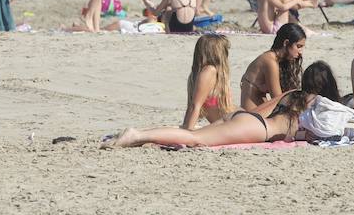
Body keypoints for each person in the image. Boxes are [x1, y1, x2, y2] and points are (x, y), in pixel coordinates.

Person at [104, 90, 314, 149]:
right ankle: (137, 135)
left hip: (248, 117)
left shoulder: (291, 97)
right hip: (257, 128)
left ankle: (143, 133)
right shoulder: (307, 113)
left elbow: (265, 107)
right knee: (195, 138)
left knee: (194, 134)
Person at [239, 24, 306, 109]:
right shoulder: (270, 62)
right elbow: (278, 99)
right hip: (251, 112)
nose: (301, 52)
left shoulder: (279, 60)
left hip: (259, 107)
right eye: (298, 46)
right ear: (286, 43)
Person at [180, 34, 233, 130]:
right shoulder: (207, 72)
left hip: (232, 124)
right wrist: (187, 130)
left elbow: (195, 106)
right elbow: (194, 106)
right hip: (231, 125)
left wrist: (186, 131)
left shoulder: (207, 72)